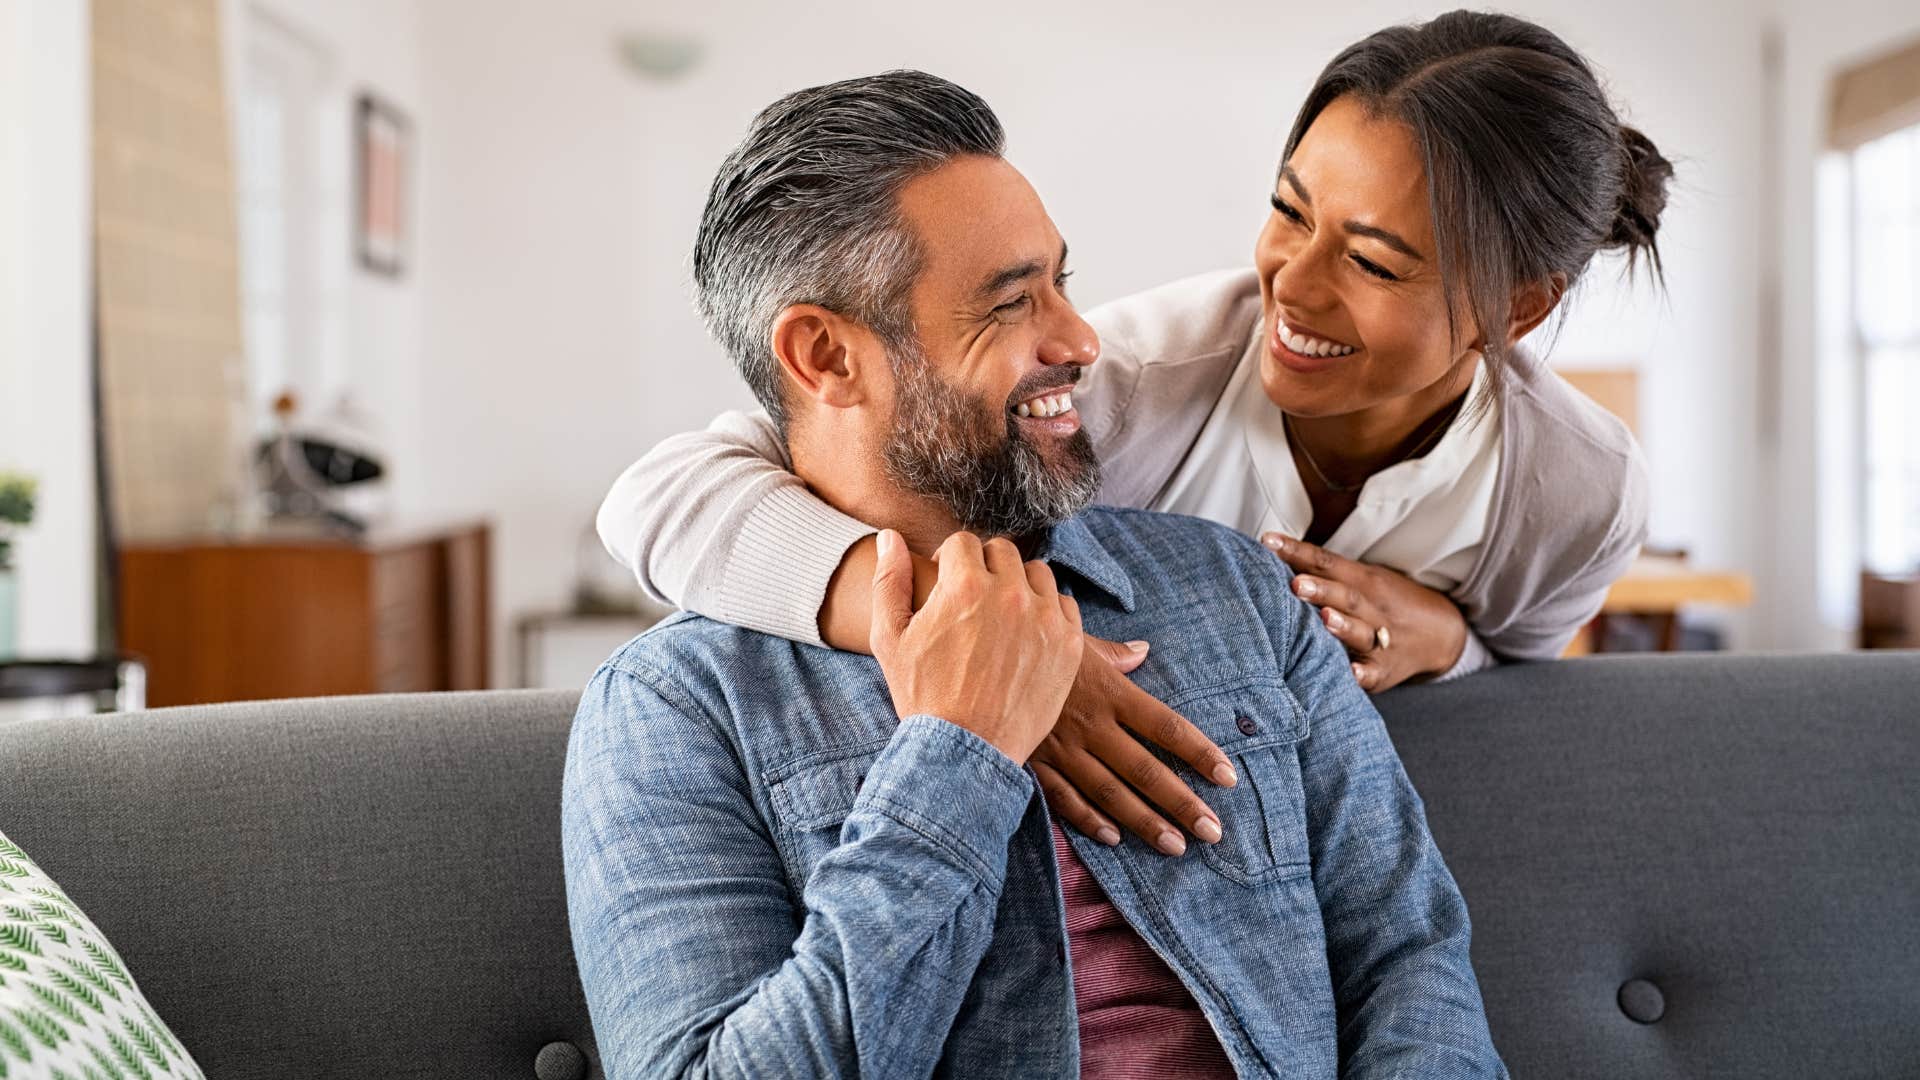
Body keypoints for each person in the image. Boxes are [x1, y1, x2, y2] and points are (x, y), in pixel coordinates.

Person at [563, 70, 1505, 1078]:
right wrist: (956, 754)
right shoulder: (675, 710)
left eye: (1062, 281)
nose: (1080, 339)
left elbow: (1410, 959)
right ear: (828, 357)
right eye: (1011, 304)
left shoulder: (1239, 593)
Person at [593, 11, 1666, 854]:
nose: (1290, 282)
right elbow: (661, 497)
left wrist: (1451, 643)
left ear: (1515, 308)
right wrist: (979, 641)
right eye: (1289, 211)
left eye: (1374, 262)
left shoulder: (1578, 490)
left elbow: (1525, 682)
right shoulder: (1131, 383)